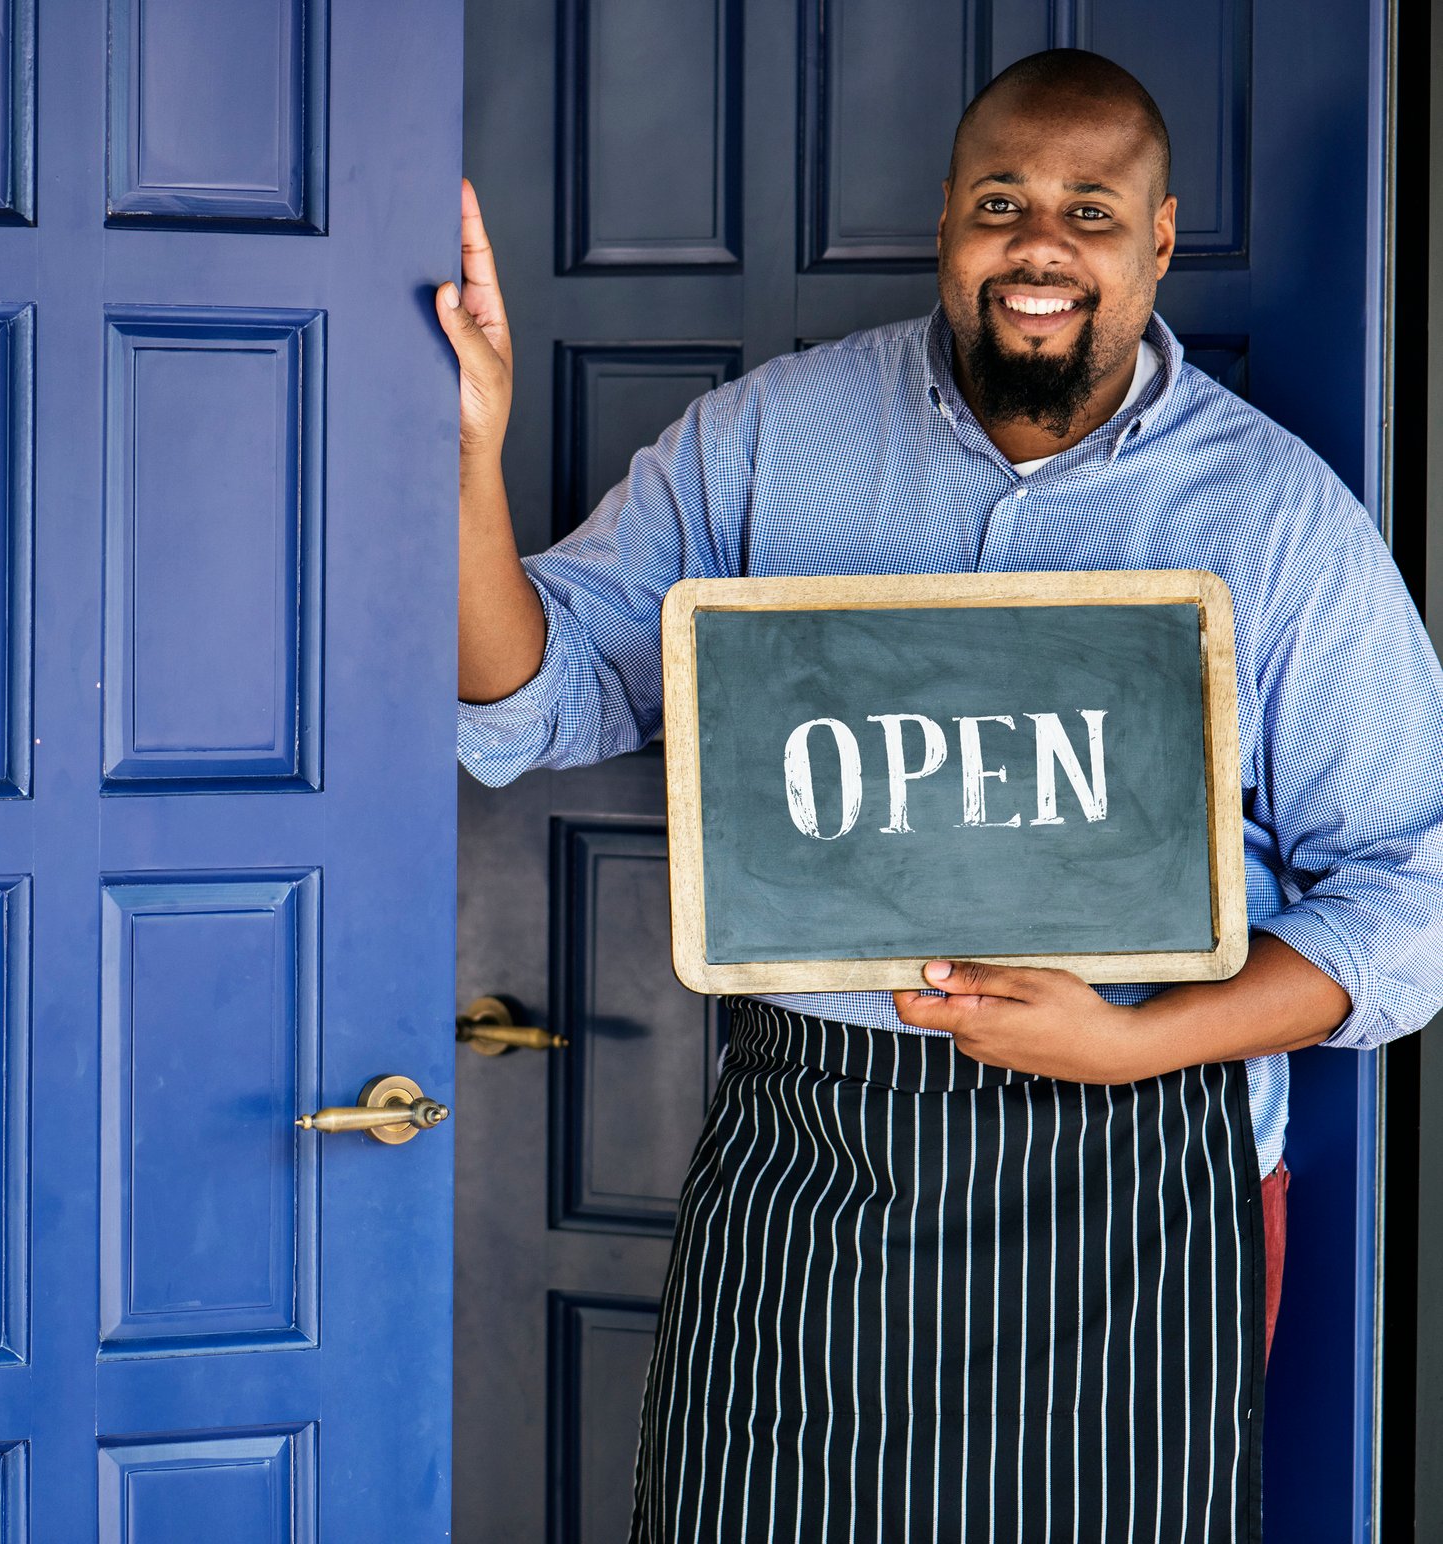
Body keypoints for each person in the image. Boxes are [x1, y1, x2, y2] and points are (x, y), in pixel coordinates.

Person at [438, 48, 1443, 1544]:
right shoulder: (768, 438)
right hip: (816, 1165)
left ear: (1158, 243)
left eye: (1092, 211)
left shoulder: (1277, 518)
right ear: (945, 228)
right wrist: (464, 460)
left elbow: (1410, 902)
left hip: (1142, 1171)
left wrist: (1130, 1045)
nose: (1041, 244)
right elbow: (532, 700)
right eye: (1002, 202)